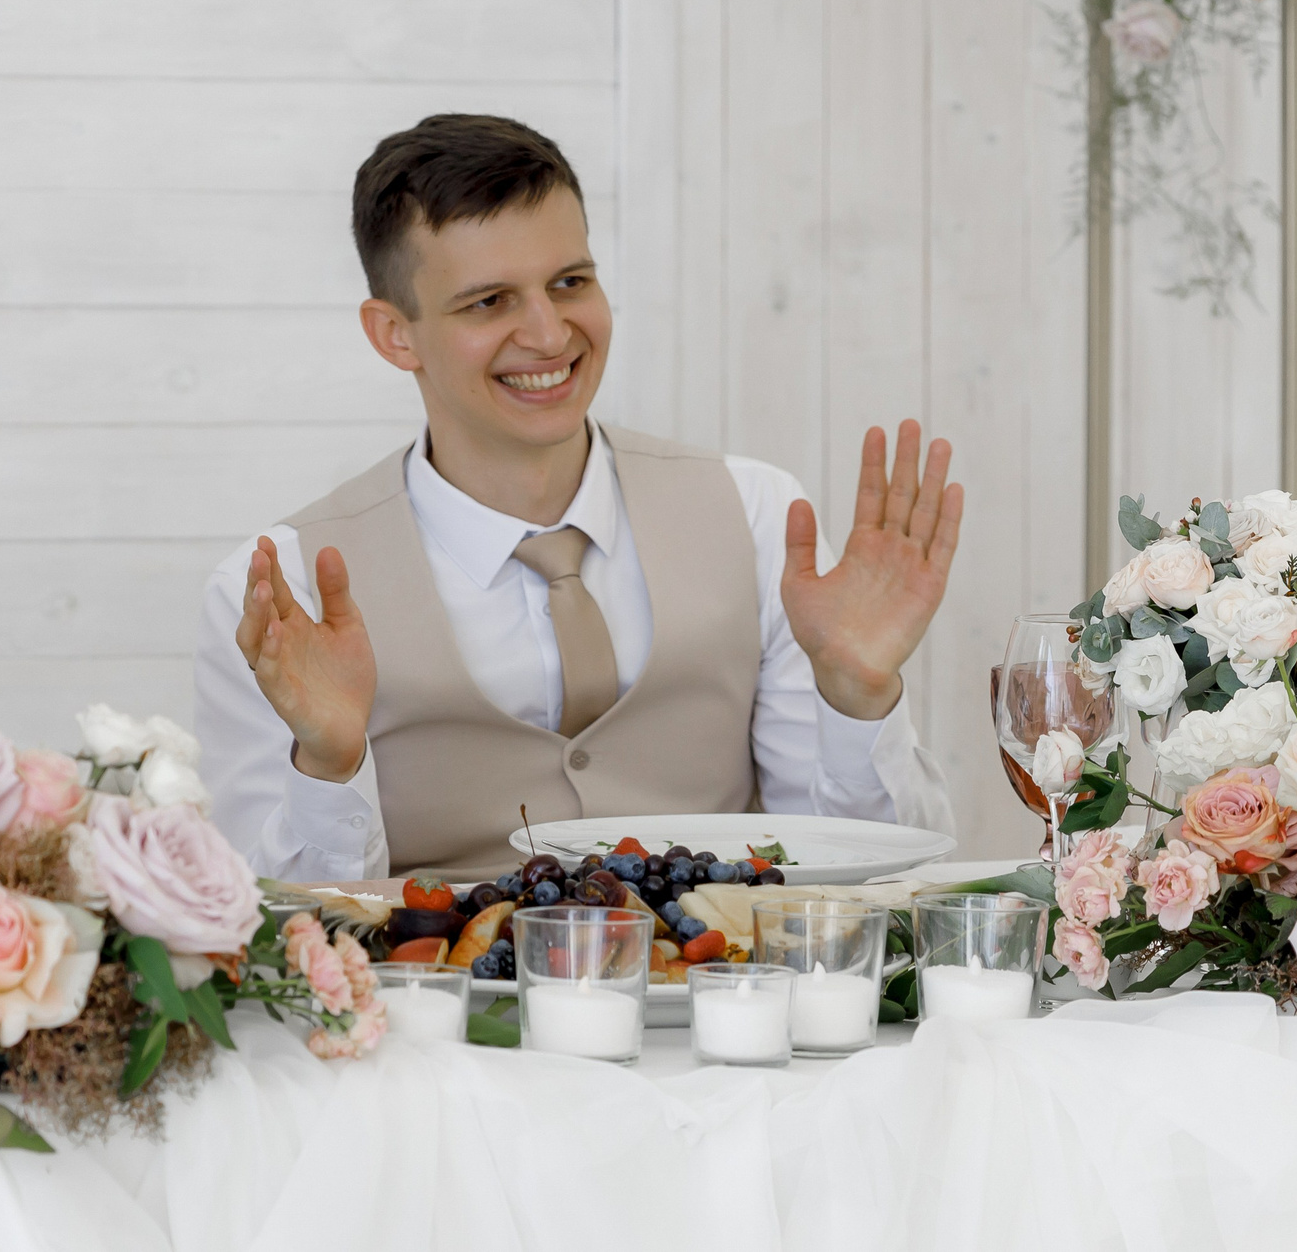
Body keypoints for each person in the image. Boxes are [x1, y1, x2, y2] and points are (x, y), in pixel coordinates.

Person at [193, 115, 961, 881]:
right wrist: (327, 766)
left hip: (724, 991)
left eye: (570, 282)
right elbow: (269, 934)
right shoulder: (277, 594)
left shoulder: (755, 515)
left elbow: (870, 880)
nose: (549, 332)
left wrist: (859, 698)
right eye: (488, 301)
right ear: (395, 334)